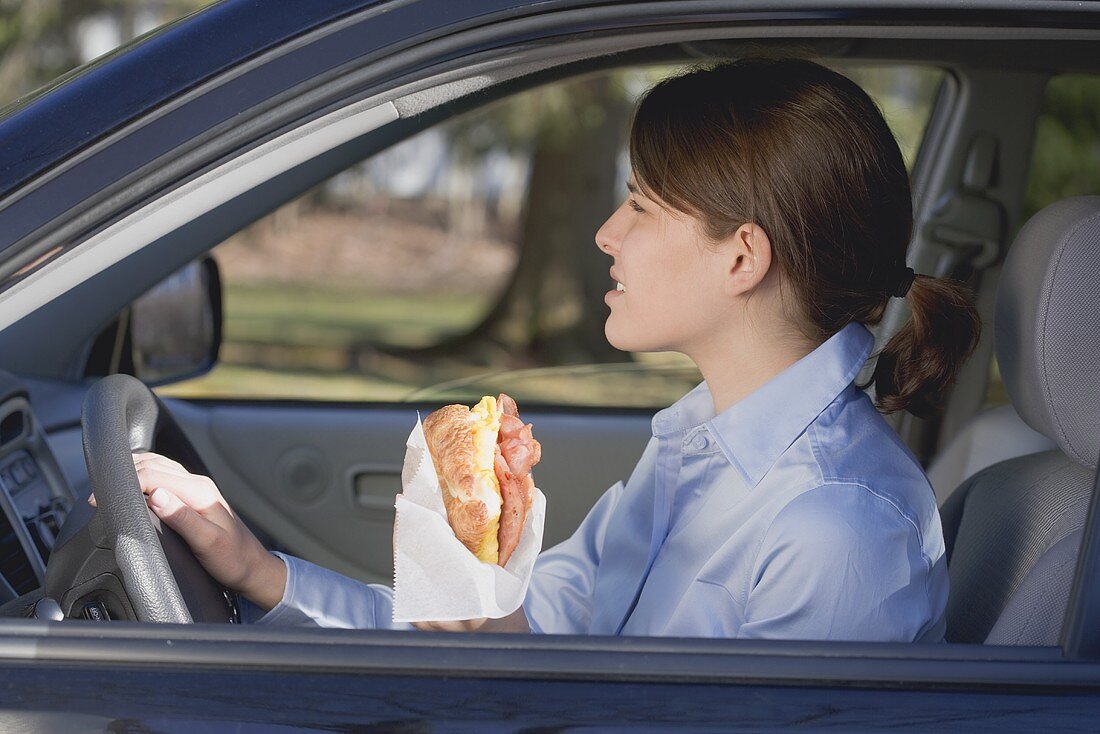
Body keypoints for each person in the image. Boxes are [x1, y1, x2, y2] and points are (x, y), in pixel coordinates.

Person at [121, 58, 981, 641]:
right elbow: (516, 644)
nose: (608, 232)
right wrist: (261, 572)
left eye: (642, 205)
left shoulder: (839, 530)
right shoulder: (694, 453)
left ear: (742, 257)